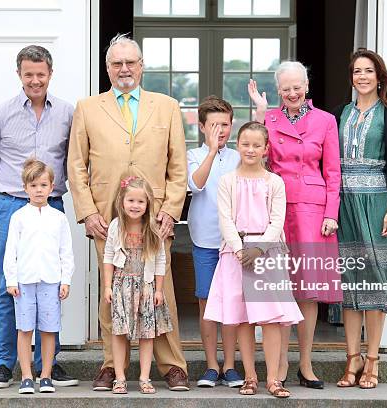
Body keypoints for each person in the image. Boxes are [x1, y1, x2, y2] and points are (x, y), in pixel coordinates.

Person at [67, 33, 189, 391]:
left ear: (141, 66)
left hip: (154, 217)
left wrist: (171, 209)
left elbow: (178, 166)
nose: (124, 69)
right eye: (117, 63)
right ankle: (110, 365)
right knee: (112, 289)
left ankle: (172, 366)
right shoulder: (88, 107)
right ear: (107, 68)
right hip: (106, 216)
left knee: (159, 290)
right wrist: (87, 212)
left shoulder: (165, 106)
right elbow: (76, 164)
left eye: (130, 62)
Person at [0, 45, 78, 388]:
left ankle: (46, 365)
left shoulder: (66, 113)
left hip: (53, 206)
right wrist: (8, 187)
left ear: (51, 74)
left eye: (41, 74)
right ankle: (5, 364)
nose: (35, 80)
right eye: (28, 74)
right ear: (19, 74)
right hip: (12, 206)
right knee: (11, 285)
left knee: (49, 284)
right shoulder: (0, 114)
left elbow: (74, 159)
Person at [248, 61, 342, 389]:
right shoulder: (269, 119)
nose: (292, 93)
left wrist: (332, 213)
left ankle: (306, 362)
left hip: (313, 212)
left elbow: (332, 171)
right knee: (279, 286)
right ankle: (280, 364)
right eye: (285, 88)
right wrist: (260, 114)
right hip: (275, 207)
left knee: (309, 290)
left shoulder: (326, 121)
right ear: (277, 91)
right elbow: (255, 158)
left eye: (297, 87)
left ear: (306, 86)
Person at [204, 122, 303, 398]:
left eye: (256, 145)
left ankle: (273, 379)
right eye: (245, 144)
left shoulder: (275, 182)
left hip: (266, 252)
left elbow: (277, 220)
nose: (250, 149)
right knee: (243, 319)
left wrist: (259, 249)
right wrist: (239, 249)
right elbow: (224, 219)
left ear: (265, 149)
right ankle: (250, 376)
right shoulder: (228, 181)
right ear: (238, 145)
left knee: (270, 318)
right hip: (235, 255)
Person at [333, 49, 387, 389]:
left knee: (374, 278)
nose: (362, 76)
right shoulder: (342, 113)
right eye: (357, 71)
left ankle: (373, 360)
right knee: (350, 279)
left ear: (380, 77)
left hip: (377, 203)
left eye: (368, 71)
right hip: (345, 203)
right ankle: (352, 359)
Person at [4, 159, 74, 394]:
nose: (38, 190)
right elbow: (10, 251)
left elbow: (66, 252)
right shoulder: (19, 217)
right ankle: (26, 376)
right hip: (24, 282)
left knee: (48, 329)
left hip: (51, 281)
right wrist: (11, 280)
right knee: (24, 329)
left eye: (43, 185)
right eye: (33, 186)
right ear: (25, 188)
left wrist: (66, 280)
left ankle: (45, 375)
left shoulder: (59, 219)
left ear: (51, 186)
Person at [187, 96, 243, 388]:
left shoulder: (237, 157)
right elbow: (195, 184)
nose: (220, 130)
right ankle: (211, 365)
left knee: (232, 301)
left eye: (225, 124)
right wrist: (210, 151)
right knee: (207, 301)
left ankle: (231, 365)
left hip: (233, 242)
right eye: (213, 125)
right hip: (205, 240)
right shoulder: (194, 155)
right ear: (201, 127)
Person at [102, 176, 173, 394]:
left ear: (148, 204)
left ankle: (144, 377)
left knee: (147, 333)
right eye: (131, 200)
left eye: (140, 202)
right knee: (119, 331)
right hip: (122, 285)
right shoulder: (116, 226)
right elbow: (108, 256)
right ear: (122, 202)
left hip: (146, 287)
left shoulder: (152, 227)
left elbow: (160, 260)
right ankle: (120, 378)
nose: (135, 205)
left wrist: (159, 289)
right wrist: (107, 286)